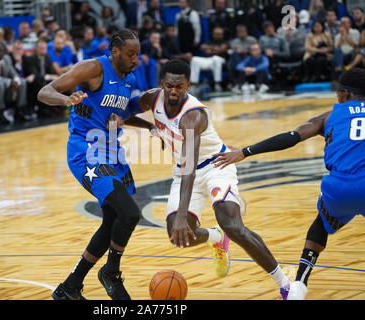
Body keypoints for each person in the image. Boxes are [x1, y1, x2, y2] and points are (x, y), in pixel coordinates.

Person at [122, 59, 291, 300]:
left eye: (179, 86)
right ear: (161, 84)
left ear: (188, 85)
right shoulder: (151, 98)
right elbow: (123, 112)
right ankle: (216, 238)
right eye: (169, 85)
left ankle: (284, 284)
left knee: (232, 225)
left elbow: (191, 165)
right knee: (178, 237)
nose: (173, 90)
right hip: (184, 170)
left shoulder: (194, 115)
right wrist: (153, 129)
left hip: (215, 166)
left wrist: (182, 214)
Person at [211, 67, 365, 300]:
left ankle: (300, 285)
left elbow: (291, 138)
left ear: (344, 94)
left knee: (321, 225)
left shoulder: (328, 116)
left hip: (338, 189)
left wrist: (245, 151)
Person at [37, 28, 143, 300]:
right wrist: (65, 99)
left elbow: (119, 114)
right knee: (129, 213)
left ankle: (70, 287)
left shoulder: (128, 78)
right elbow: (44, 91)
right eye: (131, 54)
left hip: (112, 152)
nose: (135, 60)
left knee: (113, 220)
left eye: (138, 54)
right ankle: (111, 272)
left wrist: (152, 127)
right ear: (115, 51)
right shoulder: (94, 68)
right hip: (86, 151)